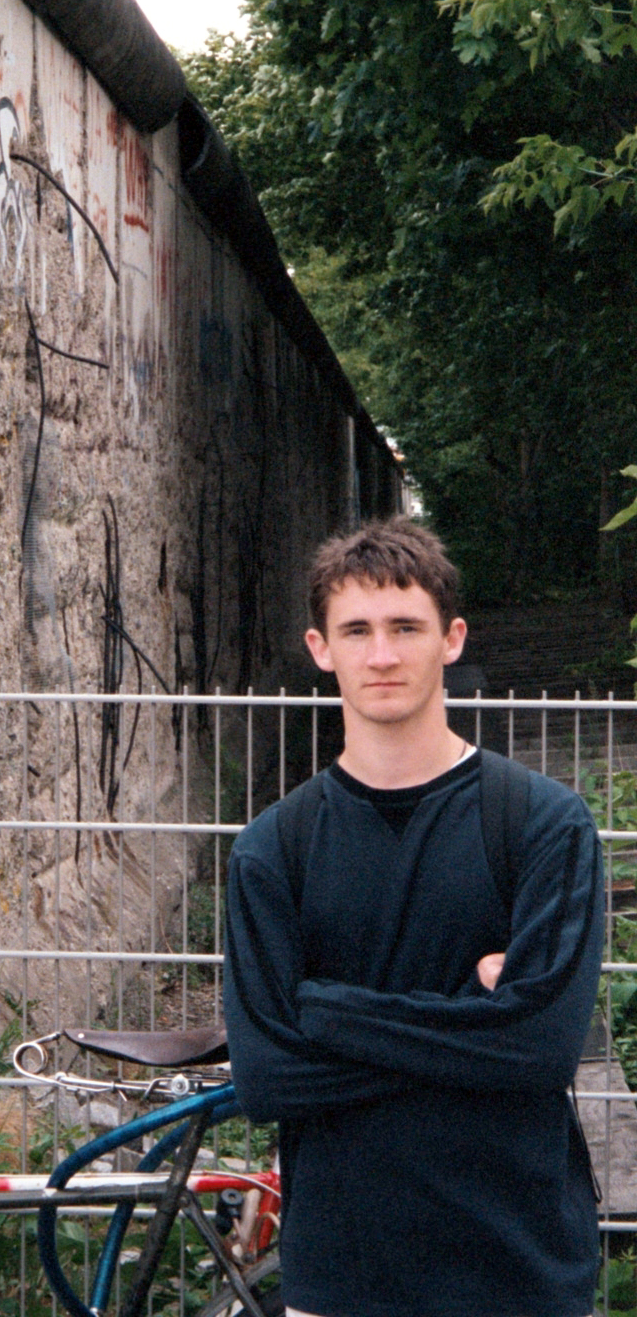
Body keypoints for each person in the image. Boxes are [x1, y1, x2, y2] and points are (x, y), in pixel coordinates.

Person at [223, 516, 603, 1317]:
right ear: (320, 648)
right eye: (356, 630)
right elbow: (266, 1076)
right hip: (343, 1275)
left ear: (451, 639)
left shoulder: (541, 824)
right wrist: (476, 1023)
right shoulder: (273, 850)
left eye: (406, 627)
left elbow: (538, 1051)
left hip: (518, 1269)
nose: (383, 654)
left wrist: (324, 1008)